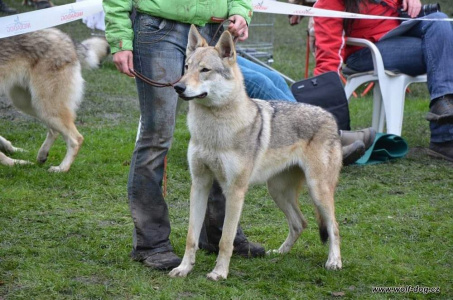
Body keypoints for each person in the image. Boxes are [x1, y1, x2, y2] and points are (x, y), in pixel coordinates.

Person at [103, 0, 269, 271]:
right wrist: (121, 37)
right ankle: (151, 242)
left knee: (223, 139)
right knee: (156, 135)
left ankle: (217, 234)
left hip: (214, 26)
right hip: (158, 28)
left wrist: (240, 10)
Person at [313, 0, 453, 162]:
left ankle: (443, 108)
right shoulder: (328, 2)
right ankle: (444, 138)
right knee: (443, 48)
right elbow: (328, 56)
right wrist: (324, 93)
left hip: (401, 33)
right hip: (366, 52)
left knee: (440, 20)